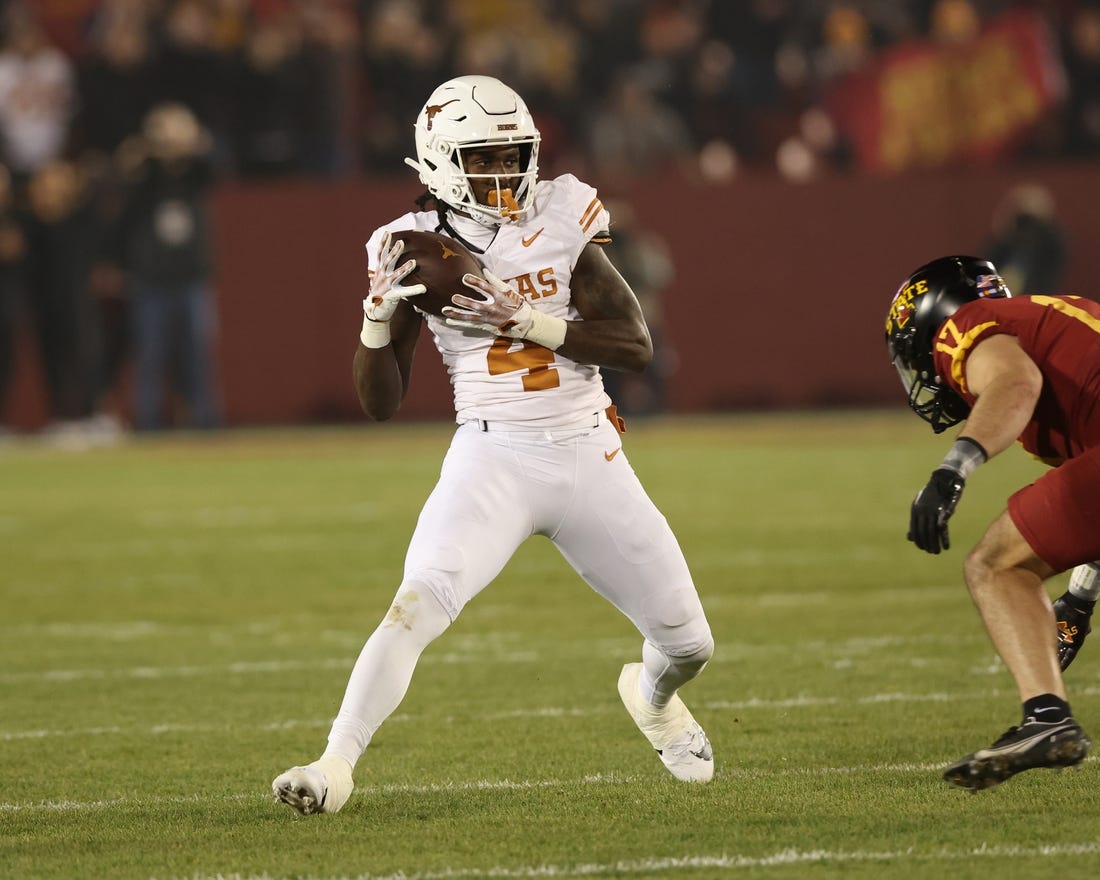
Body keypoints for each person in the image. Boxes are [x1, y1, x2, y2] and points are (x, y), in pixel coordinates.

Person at [272, 74, 715, 815]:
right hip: (493, 454)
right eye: (484, 158)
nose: (505, 171)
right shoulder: (409, 248)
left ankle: (652, 698)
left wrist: (528, 321)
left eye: (514, 153)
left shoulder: (563, 214)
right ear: (442, 161)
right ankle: (333, 766)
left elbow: (636, 345)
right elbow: (380, 402)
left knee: (690, 647)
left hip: (587, 449)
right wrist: (376, 324)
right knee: (415, 605)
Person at [884, 254, 1099, 792]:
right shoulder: (1055, 324)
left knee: (996, 567)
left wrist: (953, 470)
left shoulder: (967, 326)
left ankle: (1046, 718)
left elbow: (1015, 382)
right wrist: (1080, 600)